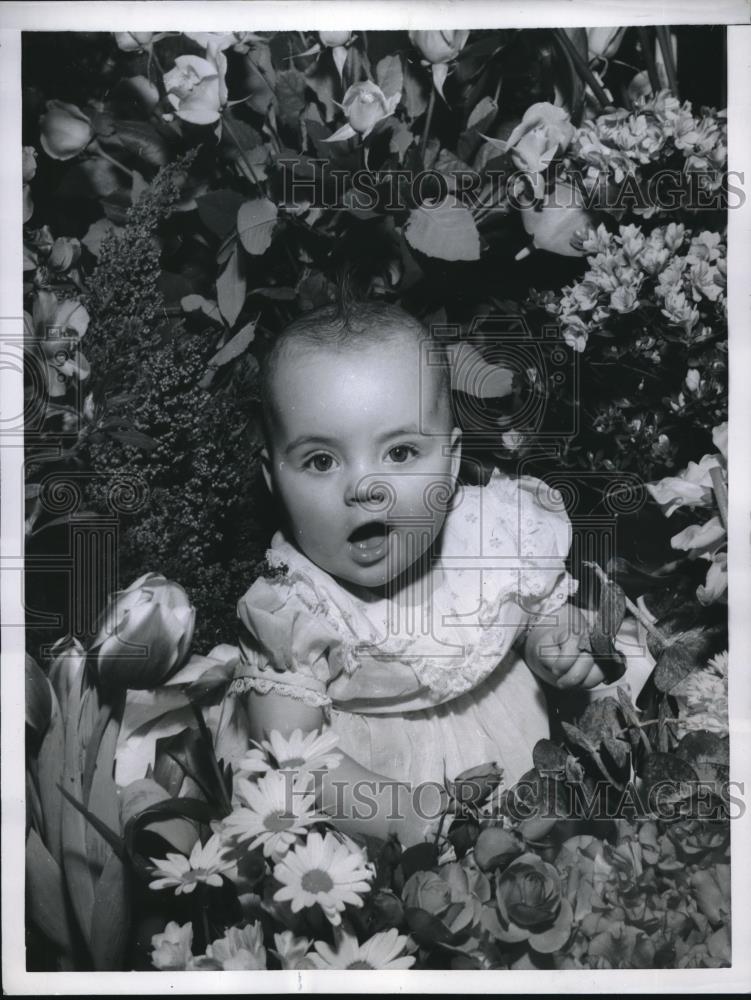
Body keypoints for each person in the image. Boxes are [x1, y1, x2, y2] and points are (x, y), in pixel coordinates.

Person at [230, 299, 607, 845]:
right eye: (321, 461)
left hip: (520, 775)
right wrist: (402, 818)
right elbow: (290, 759)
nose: (366, 487)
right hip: (374, 814)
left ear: (451, 463)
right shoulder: (294, 607)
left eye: (401, 452)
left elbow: (529, 614)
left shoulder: (488, 536)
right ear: (273, 478)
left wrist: (554, 645)